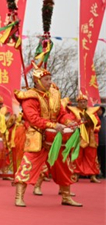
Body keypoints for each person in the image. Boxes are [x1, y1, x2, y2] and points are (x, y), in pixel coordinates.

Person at [13, 64, 79, 207]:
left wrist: (69, 122)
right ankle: (19, 196)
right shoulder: (30, 97)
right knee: (28, 165)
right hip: (37, 136)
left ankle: (66, 196)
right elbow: (33, 119)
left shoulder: (55, 94)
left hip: (55, 137)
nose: (50, 82)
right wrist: (53, 125)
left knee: (64, 166)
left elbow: (61, 114)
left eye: (50, 79)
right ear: (37, 81)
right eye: (46, 79)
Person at [66, 93, 101, 183]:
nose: (83, 103)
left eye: (84, 102)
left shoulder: (92, 111)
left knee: (92, 156)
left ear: (87, 102)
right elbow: (69, 121)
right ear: (78, 103)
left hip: (91, 137)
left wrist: (92, 125)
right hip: (78, 137)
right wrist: (78, 123)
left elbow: (98, 123)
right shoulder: (73, 111)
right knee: (77, 156)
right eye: (81, 102)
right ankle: (75, 174)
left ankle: (93, 175)